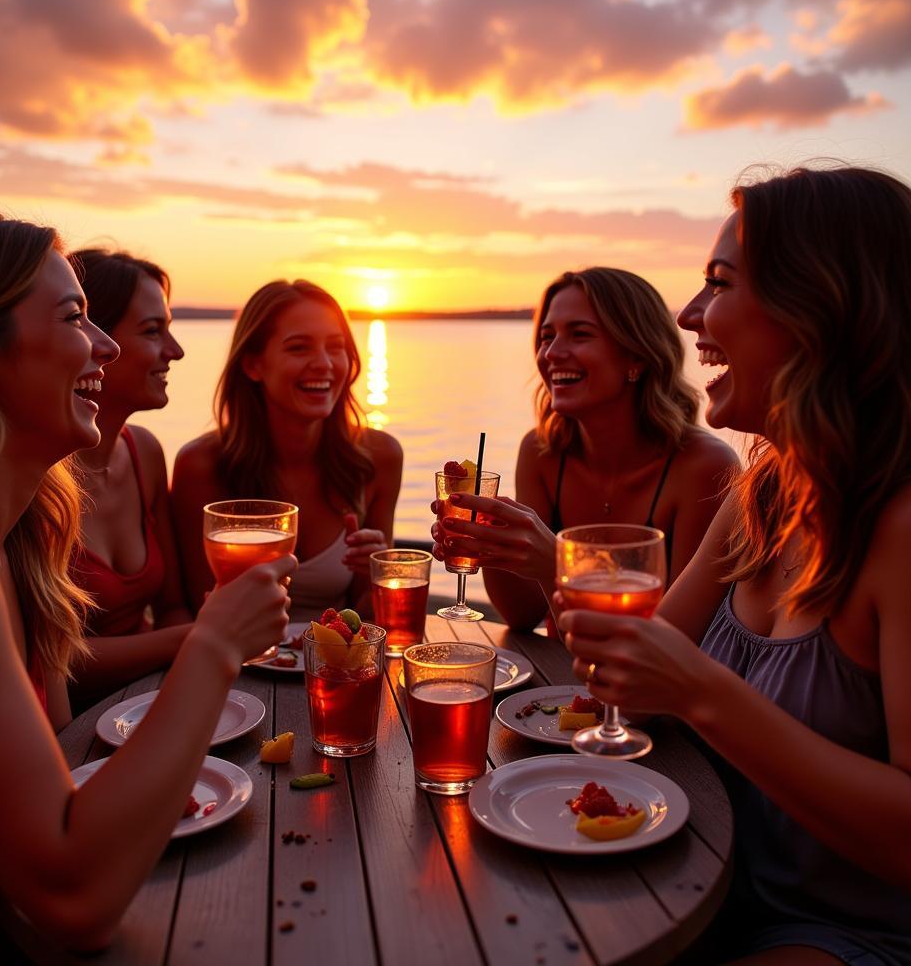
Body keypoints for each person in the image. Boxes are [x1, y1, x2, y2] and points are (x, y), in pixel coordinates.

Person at [0, 214, 294, 959]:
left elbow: (59, 800)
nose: (104, 344)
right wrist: (213, 646)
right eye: (76, 318)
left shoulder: (5, 536)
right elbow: (74, 900)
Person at [562, 167, 911, 964]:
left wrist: (700, 693)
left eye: (718, 284)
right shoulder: (761, 488)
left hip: (844, 932)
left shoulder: (901, 530)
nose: (688, 316)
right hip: (695, 878)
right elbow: (633, 690)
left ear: (820, 310)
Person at [432, 266, 738, 630]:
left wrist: (559, 564)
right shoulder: (541, 452)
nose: (552, 353)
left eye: (579, 334)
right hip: (562, 683)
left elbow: (680, 641)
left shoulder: (705, 467)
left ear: (636, 356)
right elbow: (523, 614)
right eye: (546, 337)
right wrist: (493, 544)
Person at [172, 279, 402, 621]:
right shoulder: (201, 465)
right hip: (234, 664)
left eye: (335, 347)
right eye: (299, 348)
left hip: (332, 663)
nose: (324, 363)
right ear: (253, 365)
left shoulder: (378, 457)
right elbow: (199, 612)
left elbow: (365, 616)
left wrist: (378, 577)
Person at [67, 247, 190, 706]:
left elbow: (173, 606)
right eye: (153, 331)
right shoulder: (35, 478)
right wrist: (209, 637)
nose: (175, 351)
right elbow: (53, 662)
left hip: (147, 702)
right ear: (92, 339)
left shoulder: (146, 454)